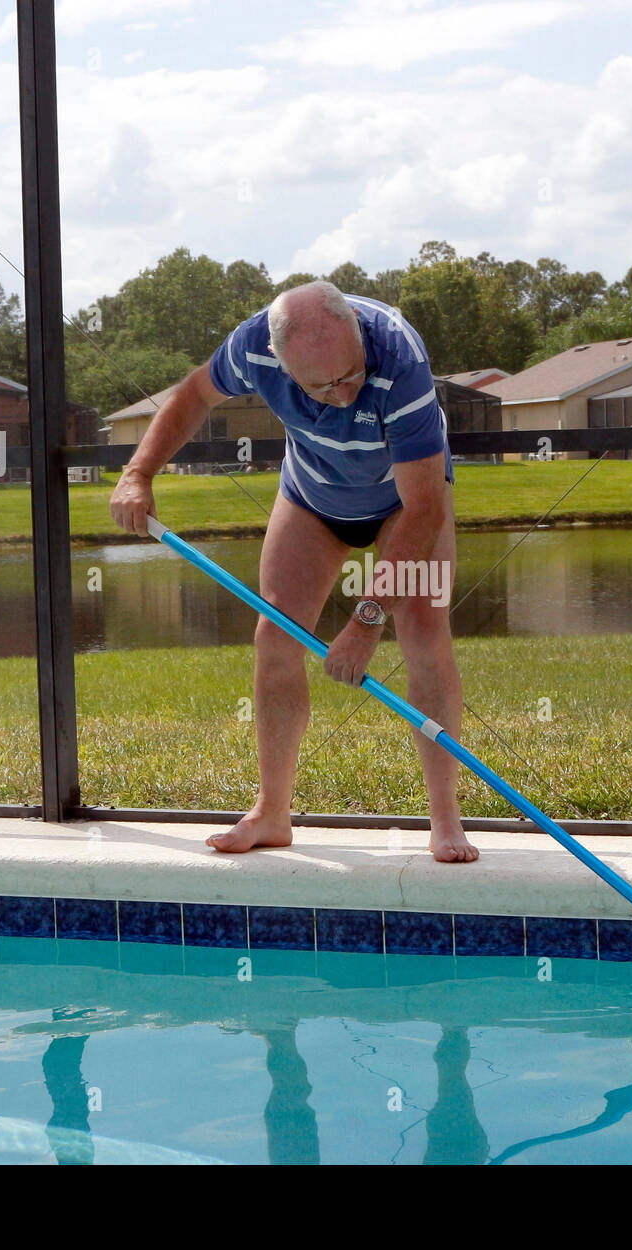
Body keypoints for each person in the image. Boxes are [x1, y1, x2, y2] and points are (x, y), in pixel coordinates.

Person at [109, 280, 478, 863]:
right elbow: (194, 394)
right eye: (322, 386)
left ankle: (445, 818)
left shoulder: (399, 358)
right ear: (279, 363)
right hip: (312, 497)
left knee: (423, 633)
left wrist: (365, 621)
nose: (344, 392)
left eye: (351, 373)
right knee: (275, 637)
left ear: (358, 334)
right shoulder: (252, 345)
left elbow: (426, 508)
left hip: (403, 505)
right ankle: (272, 813)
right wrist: (139, 472)